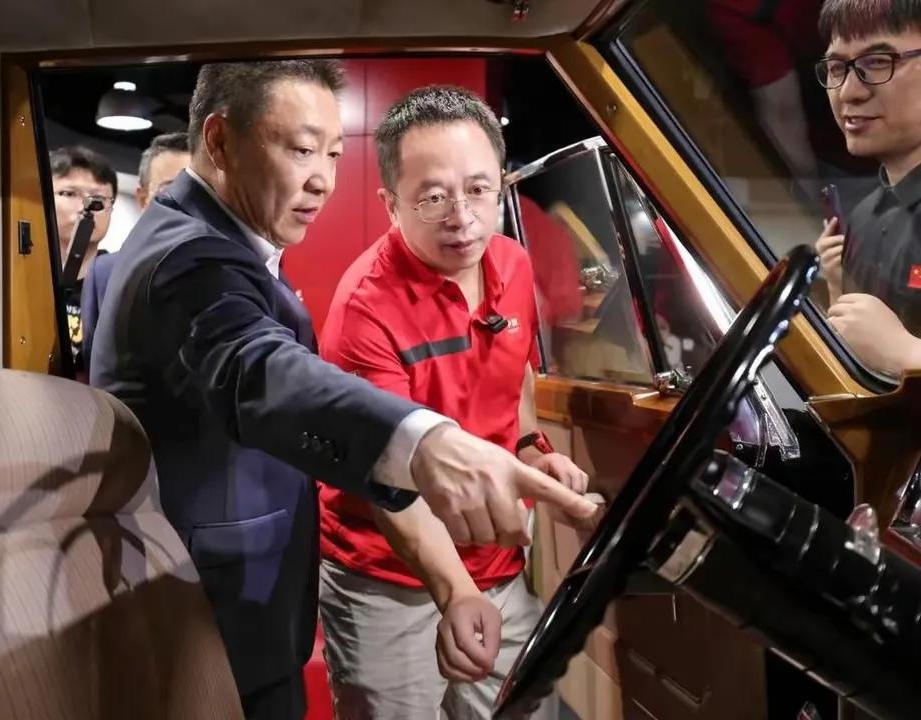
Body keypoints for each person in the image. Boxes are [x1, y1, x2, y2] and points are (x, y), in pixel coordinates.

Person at [87, 61, 597, 719]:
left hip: (251, 599)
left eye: (331, 153)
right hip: (209, 609)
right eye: (301, 150)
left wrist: (526, 448)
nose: (324, 179)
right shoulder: (191, 260)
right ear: (219, 141)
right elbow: (260, 368)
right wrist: (427, 443)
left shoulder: (222, 243)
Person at [316, 86, 591, 719]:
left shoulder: (513, 264)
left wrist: (531, 450)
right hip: (388, 576)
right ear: (390, 204)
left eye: (478, 189)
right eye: (433, 197)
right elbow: (387, 476)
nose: (462, 217)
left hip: (497, 564)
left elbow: (513, 382)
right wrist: (456, 591)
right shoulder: (364, 309)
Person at [814, 0, 921, 374]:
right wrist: (837, 289)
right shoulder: (861, 218)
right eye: (837, 68)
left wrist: (909, 354)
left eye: (877, 62)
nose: (848, 92)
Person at [81, 133, 191, 369]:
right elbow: (94, 364)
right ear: (143, 198)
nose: (187, 200)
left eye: (197, 190)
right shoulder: (105, 273)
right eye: (171, 188)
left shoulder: (231, 269)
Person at [49, 145, 117, 378]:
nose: (85, 207)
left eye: (98, 198)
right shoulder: (19, 274)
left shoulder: (119, 282)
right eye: (69, 194)